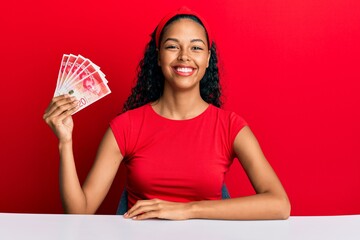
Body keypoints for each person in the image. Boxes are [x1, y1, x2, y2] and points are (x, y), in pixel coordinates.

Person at [43, 7, 290, 220]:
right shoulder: (125, 127)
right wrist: (65, 142)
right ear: (158, 57)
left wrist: (188, 210)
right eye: (172, 46)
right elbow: (80, 212)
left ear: (207, 59)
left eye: (196, 47)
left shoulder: (230, 126)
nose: (184, 56)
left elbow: (279, 205)